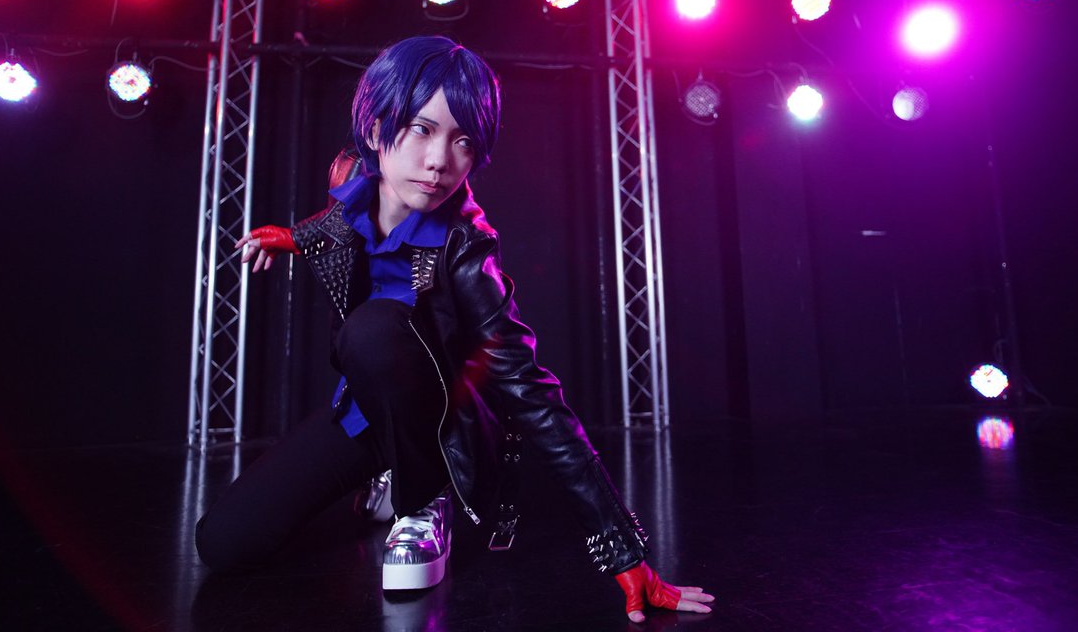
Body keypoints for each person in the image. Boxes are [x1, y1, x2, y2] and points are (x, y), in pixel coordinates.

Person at [194, 36, 714, 623]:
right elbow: (339, 220)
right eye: (421, 129)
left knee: (370, 329)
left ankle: (423, 498)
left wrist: (622, 548)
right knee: (224, 544)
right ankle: (391, 468)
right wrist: (291, 237)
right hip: (367, 412)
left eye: (463, 140)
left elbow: (531, 390)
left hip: (446, 427)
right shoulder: (352, 175)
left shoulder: (467, 247)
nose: (440, 159)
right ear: (375, 128)